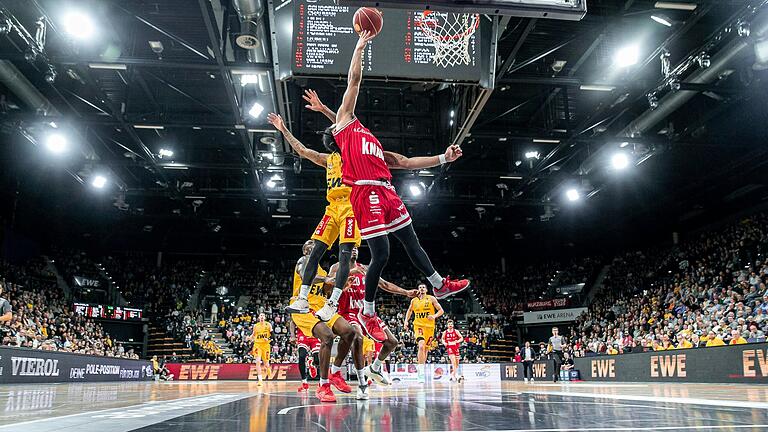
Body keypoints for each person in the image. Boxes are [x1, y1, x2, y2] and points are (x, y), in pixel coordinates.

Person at [322, 31, 470, 342]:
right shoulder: (345, 128)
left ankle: (439, 284)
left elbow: (404, 161)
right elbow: (354, 81)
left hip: (387, 191)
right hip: (365, 192)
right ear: (336, 130)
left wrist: (444, 157)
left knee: (411, 240)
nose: (343, 113)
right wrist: (359, 47)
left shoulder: (370, 141)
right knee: (382, 254)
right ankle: (369, 309)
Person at [268, 109, 360, 323]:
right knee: (315, 250)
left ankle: (333, 302)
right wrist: (283, 130)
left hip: (351, 207)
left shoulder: (353, 156)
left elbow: (349, 124)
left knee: (345, 254)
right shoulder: (327, 160)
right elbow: (301, 150)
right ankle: (302, 298)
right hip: (332, 208)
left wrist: (325, 110)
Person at [334, 246, 416, 387]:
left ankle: (374, 368)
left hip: (366, 313)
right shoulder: (336, 267)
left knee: (392, 342)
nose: (354, 249)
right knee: (357, 337)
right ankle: (361, 384)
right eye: (351, 247)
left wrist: (406, 292)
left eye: (356, 247)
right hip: (347, 313)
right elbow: (328, 283)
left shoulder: (365, 268)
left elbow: (384, 284)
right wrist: (349, 273)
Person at [290, 240, 359, 402]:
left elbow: (327, 290)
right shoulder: (302, 260)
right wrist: (328, 279)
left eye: (315, 245)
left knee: (349, 332)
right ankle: (323, 385)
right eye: (309, 244)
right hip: (303, 307)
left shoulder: (322, 269)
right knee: (327, 336)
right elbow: (305, 273)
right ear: (305, 249)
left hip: (321, 305)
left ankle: (335, 373)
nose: (313, 245)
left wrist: (340, 285)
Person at [404, 284, 444, 383]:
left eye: (423, 287)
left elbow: (441, 311)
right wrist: (406, 321)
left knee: (425, 349)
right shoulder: (414, 301)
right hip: (418, 326)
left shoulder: (431, 298)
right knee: (421, 346)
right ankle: (420, 372)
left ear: (426, 290)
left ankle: (422, 368)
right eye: (420, 287)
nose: (421, 289)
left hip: (430, 328)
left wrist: (434, 316)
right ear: (418, 290)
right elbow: (409, 311)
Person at [293, 325, 320, 393]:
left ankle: (312, 364)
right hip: (302, 335)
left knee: (318, 360)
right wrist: (292, 335)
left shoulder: (315, 314)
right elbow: (292, 322)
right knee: (302, 356)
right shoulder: (299, 314)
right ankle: (304, 382)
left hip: (315, 335)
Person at [248, 313, 272, 386]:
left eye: (263, 316)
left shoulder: (268, 325)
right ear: (259, 317)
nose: (262, 317)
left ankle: (268, 367)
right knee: (257, 361)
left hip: (266, 345)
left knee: (266, 364)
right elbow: (253, 334)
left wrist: (268, 339)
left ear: (265, 317)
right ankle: (260, 380)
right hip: (257, 345)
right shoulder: (256, 326)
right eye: (260, 316)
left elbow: (273, 335)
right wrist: (249, 337)